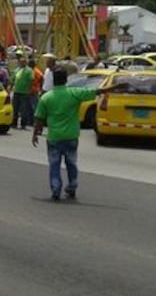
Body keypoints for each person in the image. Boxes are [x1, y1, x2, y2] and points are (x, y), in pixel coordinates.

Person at [32, 67, 127, 201]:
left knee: (54, 165)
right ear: (65, 80)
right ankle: (72, 186)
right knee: (71, 163)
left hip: (54, 137)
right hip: (71, 136)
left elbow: (39, 118)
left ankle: (55, 189)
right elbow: (97, 91)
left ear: (53, 80)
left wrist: (36, 133)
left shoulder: (46, 97)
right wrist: (115, 86)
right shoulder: (75, 93)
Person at [10, 54, 34, 129]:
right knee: (15, 108)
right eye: (20, 62)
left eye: (23, 62)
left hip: (24, 92)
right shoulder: (17, 70)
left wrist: (29, 90)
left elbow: (31, 80)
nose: (22, 63)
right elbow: (13, 79)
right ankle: (14, 123)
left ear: (25, 62)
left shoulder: (29, 70)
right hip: (16, 91)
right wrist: (10, 87)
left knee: (24, 109)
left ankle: (23, 124)